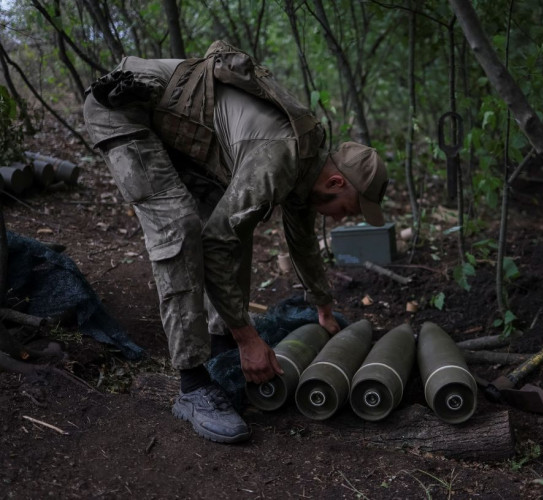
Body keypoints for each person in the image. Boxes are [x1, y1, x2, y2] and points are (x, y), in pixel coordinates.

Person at [82, 41, 388, 444]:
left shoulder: (307, 164)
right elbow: (217, 243)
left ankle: (220, 346)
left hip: (179, 138)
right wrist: (251, 338)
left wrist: (322, 304)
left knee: (230, 228)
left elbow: (302, 238)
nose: (345, 219)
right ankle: (192, 386)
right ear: (336, 182)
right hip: (124, 108)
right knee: (182, 227)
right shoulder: (281, 157)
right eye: (349, 209)